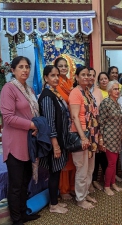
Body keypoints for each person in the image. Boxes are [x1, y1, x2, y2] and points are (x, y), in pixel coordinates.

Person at [0, 56, 40, 225]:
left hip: (28, 143)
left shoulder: (29, 90)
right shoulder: (9, 89)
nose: (25, 70)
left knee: (25, 181)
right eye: (21, 67)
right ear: (13, 70)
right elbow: (8, 117)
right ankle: (16, 219)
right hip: (14, 143)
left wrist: (37, 125)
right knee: (16, 185)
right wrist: (31, 124)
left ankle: (23, 213)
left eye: (27, 67)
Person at [38, 65, 69, 214]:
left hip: (60, 139)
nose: (56, 78)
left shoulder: (54, 93)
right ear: (45, 78)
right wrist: (55, 145)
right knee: (54, 172)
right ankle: (53, 205)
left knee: (56, 171)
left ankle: (54, 201)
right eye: (52, 75)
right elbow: (49, 123)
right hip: (53, 142)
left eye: (57, 75)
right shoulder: (47, 96)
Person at [69, 66, 99, 209]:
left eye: (88, 75)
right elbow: (75, 116)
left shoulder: (87, 92)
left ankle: (85, 193)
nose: (87, 77)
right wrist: (83, 137)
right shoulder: (75, 92)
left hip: (91, 135)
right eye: (83, 75)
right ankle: (80, 199)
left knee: (89, 169)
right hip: (81, 136)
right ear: (76, 77)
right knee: (81, 169)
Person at [54, 56, 76, 200]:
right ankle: (63, 189)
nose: (63, 68)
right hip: (62, 126)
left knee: (73, 158)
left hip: (72, 126)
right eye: (60, 66)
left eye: (65, 66)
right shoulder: (55, 86)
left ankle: (72, 186)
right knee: (64, 160)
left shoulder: (70, 83)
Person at [98, 80, 122, 196]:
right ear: (109, 91)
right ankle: (107, 186)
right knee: (112, 163)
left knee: (114, 163)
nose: (117, 91)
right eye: (114, 89)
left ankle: (113, 183)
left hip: (117, 137)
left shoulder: (117, 103)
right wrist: (101, 139)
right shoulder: (106, 103)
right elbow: (101, 122)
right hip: (108, 138)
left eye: (118, 89)